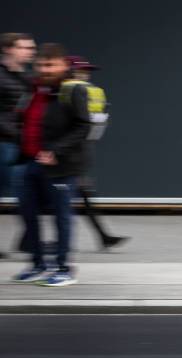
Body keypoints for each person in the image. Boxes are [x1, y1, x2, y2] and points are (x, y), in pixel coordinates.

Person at [12, 43, 90, 286]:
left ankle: (64, 269)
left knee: (61, 218)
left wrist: (56, 150)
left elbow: (83, 126)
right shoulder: (35, 88)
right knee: (28, 215)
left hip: (60, 167)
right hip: (30, 163)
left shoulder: (72, 90)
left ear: (63, 65)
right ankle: (37, 265)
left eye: (50, 64)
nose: (45, 69)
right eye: (41, 64)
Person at [64, 55, 128, 249]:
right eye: (82, 71)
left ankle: (103, 237)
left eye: (87, 72)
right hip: (67, 155)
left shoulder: (83, 93)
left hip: (76, 154)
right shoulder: (67, 93)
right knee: (60, 199)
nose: (86, 75)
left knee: (83, 197)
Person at [0, 33, 36, 258]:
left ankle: (28, 240)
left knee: (28, 192)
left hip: (18, 143)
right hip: (4, 142)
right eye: (24, 47)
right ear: (8, 49)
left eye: (31, 48)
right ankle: (29, 240)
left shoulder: (26, 77)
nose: (30, 51)